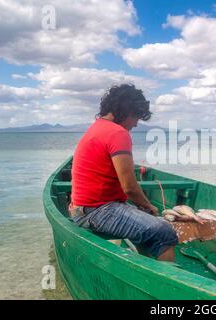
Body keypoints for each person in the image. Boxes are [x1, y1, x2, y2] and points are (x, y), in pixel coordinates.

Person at [70, 84, 178, 261]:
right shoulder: (117, 133)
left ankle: (147, 269)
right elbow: (129, 187)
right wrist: (148, 206)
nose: (136, 123)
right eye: (136, 116)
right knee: (164, 232)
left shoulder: (97, 127)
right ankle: (164, 284)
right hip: (97, 210)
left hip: (83, 208)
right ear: (126, 111)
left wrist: (142, 208)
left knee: (149, 227)